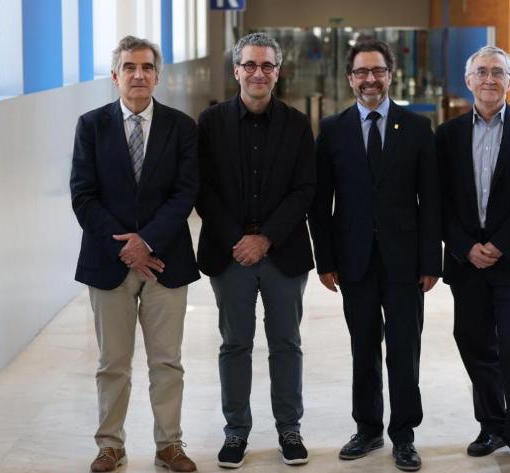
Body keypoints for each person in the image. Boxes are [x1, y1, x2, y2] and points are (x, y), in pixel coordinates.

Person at [309, 39, 441, 472]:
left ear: (389, 75)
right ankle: (367, 429)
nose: (370, 79)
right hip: (354, 261)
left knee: (405, 349)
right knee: (363, 347)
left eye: (377, 71)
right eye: (362, 72)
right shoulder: (333, 129)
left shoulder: (418, 128)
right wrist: (325, 260)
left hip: (405, 264)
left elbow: (431, 201)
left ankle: (404, 435)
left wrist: (430, 262)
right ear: (350, 79)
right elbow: (320, 203)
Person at [70, 36, 199, 473]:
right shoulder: (91, 126)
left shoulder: (181, 127)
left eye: (146, 67)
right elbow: (83, 195)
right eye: (129, 67)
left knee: (167, 361)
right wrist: (128, 248)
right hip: (109, 264)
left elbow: (185, 193)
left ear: (158, 76)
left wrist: (148, 242)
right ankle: (111, 445)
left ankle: (169, 446)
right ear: (115, 75)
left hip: (167, 261)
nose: (138, 74)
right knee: (113, 363)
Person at [195, 32, 316, 469]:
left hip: (283, 253)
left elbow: (305, 190)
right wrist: (239, 240)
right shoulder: (209, 123)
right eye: (250, 65)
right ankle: (236, 431)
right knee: (235, 345)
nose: (258, 73)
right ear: (236, 70)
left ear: (278, 73)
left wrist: (265, 239)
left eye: (267, 66)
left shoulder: (298, 124)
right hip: (229, 256)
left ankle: (289, 428)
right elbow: (202, 189)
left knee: (286, 343)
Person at [435, 46, 510, 470]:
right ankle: (491, 424)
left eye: (497, 72)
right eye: (480, 72)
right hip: (467, 265)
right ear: (468, 81)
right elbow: (437, 201)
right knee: (474, 345)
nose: (488, 79)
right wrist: (465, 246)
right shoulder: (445, 136)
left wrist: (500, 245)